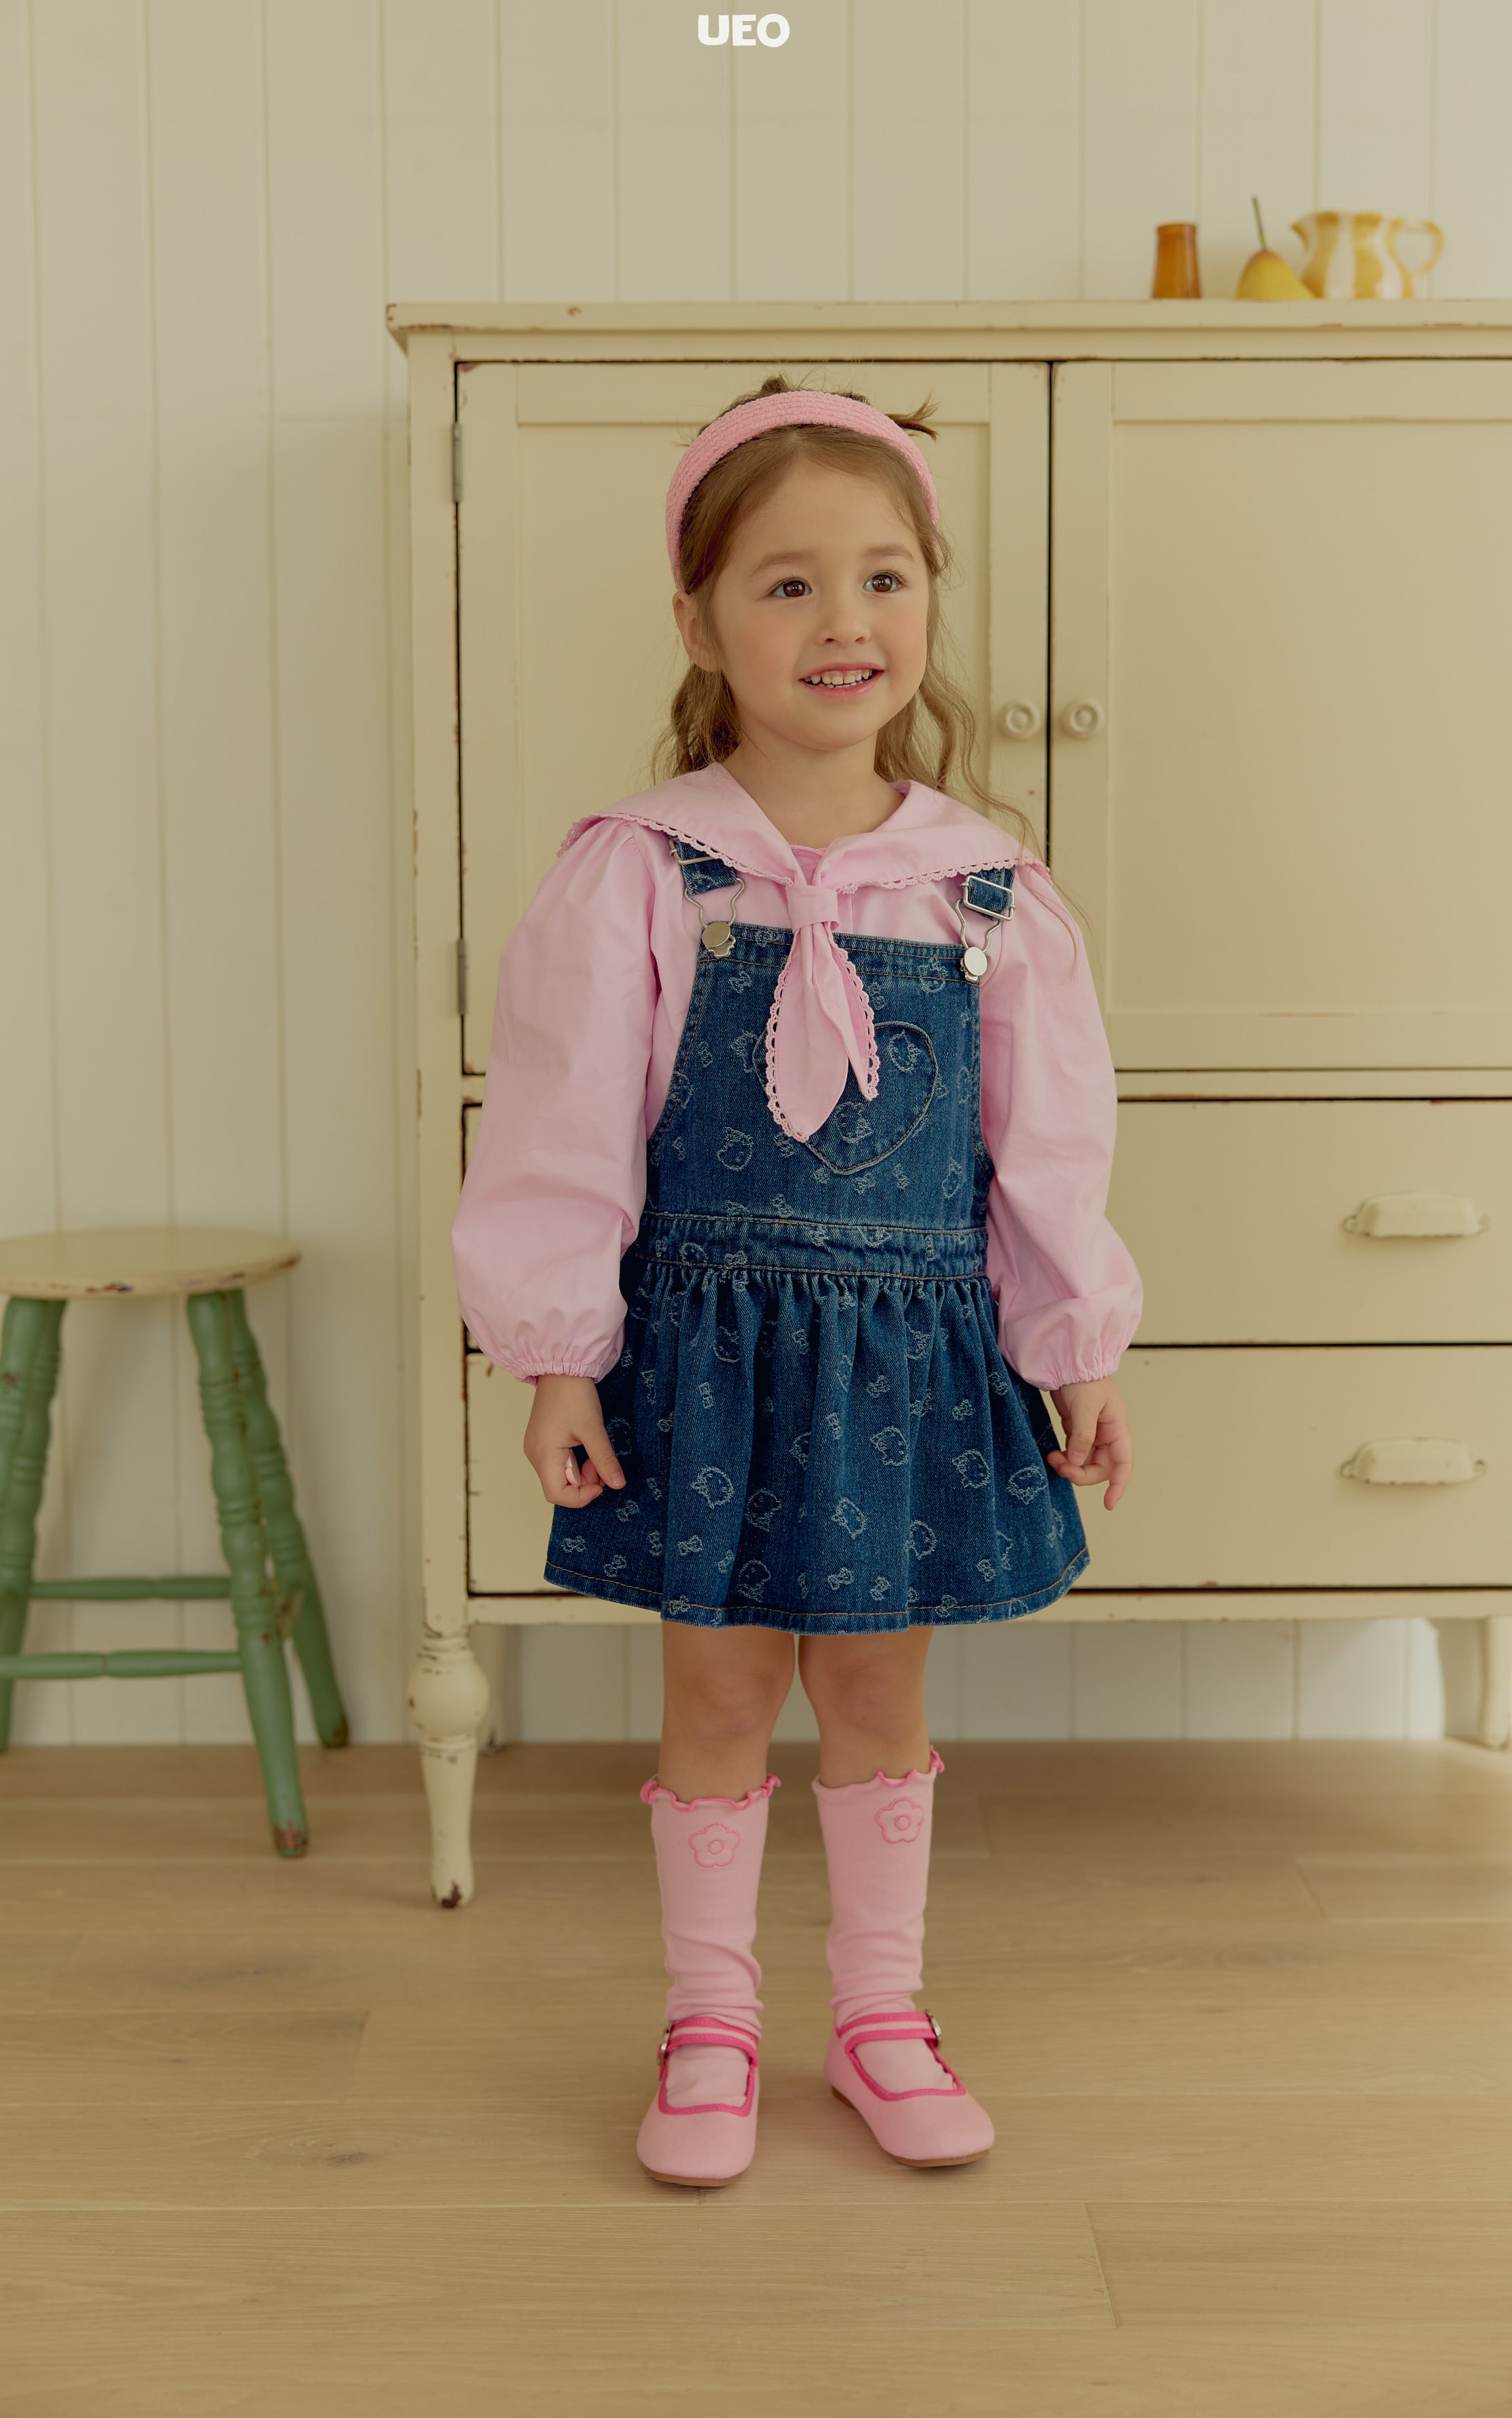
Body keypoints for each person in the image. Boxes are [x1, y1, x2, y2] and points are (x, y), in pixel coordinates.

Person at [451, 376, 1142, 2188]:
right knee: (714, 1700)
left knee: (878, 1701)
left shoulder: (986, 891)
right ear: (698, 622)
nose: (845, 621)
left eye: (884, 578)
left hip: (907, 1363)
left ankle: (880, 2015)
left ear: (927, 601)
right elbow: (560, 1133)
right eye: (787, 584)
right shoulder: (639, 873)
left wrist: (1072, 1343)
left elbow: (1046, 1149)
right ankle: (710, 2021)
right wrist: (558, 1355)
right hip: (709, 1357)